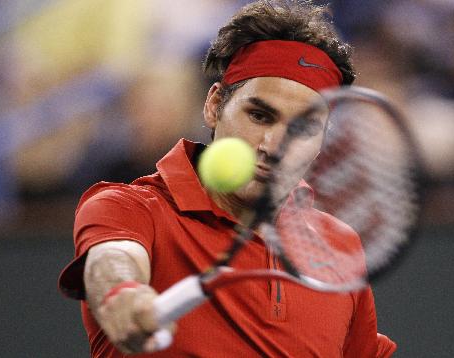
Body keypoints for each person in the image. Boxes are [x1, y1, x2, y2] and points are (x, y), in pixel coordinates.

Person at [58, 1, 397, 357]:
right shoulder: (128, 208)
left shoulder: (339, 247)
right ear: (215, 104)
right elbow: (114, 259)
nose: (274, 146)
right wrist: (123, 296)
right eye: (260, 115)